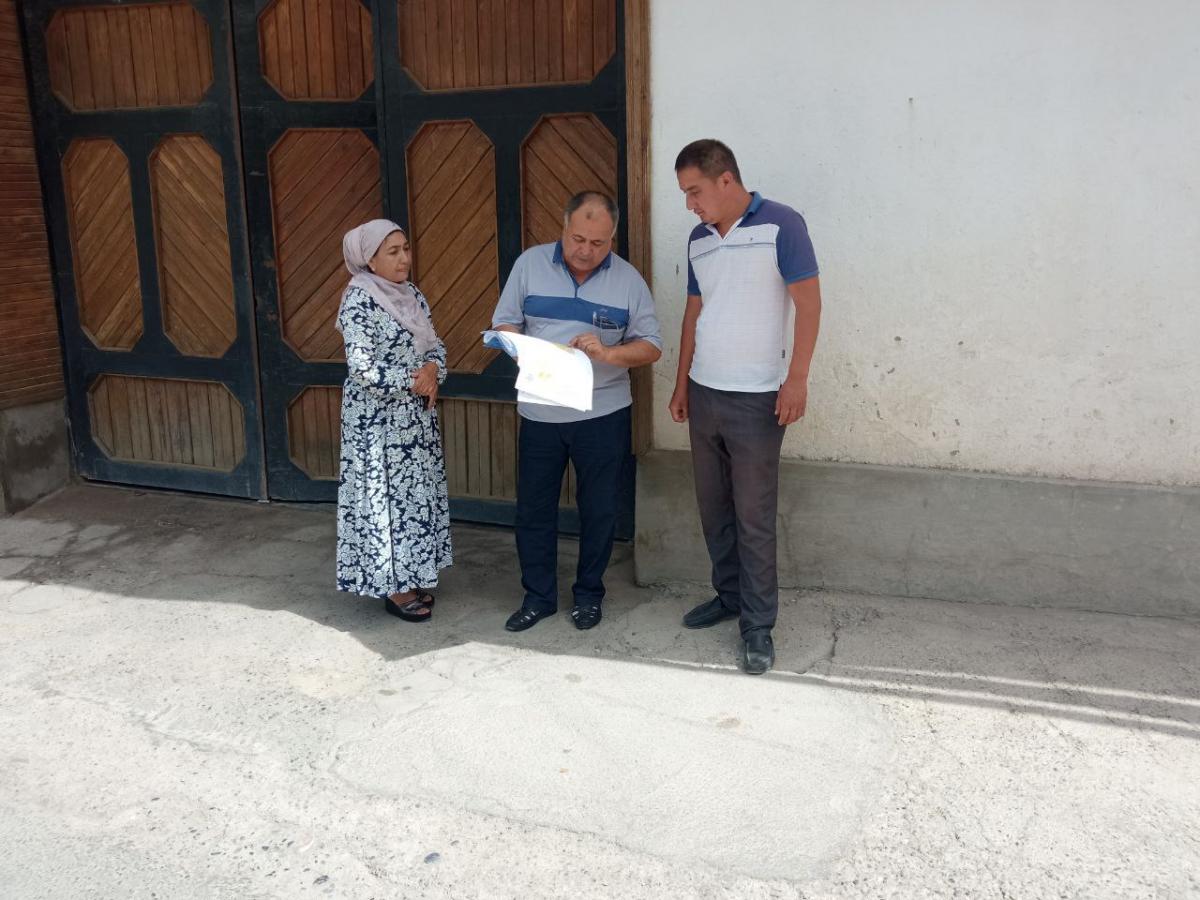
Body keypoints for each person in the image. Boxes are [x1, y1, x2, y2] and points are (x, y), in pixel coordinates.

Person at [668, 140, 822, 674]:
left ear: (726, 180)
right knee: (714, 509)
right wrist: (682, 384)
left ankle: (758, 626)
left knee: (753, 516)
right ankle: (729, 595)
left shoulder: (782, 225)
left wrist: (796, 380)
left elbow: (809, 305)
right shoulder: (699, 239)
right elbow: (693, 314)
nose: (690, 204)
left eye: (695, 191)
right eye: (685, 194)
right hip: (704, 391)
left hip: (758, 397)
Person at [492, 192, 662, 632]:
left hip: (602, 415)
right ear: (563, 227)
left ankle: (589, 595)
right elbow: (504, 323)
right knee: (534, 509)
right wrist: (528, 352)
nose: (586, 251)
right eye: (578, 239)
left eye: (598, 243)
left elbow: (651, 346)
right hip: (541, 412)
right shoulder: (529, 265)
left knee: (599, 510)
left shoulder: (628, 280)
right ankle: (538, 597)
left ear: (612, 238)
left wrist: (608, 354)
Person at [335, 219, 452, 622]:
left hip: (414, 421)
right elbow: (362, 367)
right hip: (377, 425)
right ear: (370, 260)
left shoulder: (412, 294)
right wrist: (416, 380)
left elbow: (435, 345)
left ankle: (412, 574)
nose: (404, 258)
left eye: (406, 248)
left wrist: (433, 370)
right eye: (393, 252)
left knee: (414, 498)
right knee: (386, 500)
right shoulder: (358, 300)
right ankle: (394, 587)